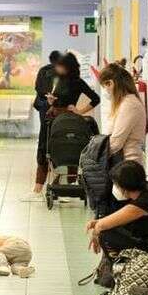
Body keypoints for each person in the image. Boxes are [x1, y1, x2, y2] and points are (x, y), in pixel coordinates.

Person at [22, 52, 100, 201]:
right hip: (52, 120)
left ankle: (68, 187)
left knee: (70, 150)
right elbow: (42, 98)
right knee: (44, 150)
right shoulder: (55, 78)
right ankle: (38, 189)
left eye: (61, 66)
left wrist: (79, 111)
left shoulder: (77, 82)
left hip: (68, 121)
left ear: (68, 67)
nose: (57, 68)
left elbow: (96, 99)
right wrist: (50, 102)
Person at [87, 160, 148, 261]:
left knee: (105, 234)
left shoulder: (144, 202)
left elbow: (102, 226)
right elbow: (111, 220)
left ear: (125, 185)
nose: (115, 187)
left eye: (116, 184)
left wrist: (96, 232)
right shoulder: (147, 191)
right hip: (145, 240)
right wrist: (97, 223)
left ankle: (116, 269)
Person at [99, 63, 146, 165]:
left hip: (127, 166)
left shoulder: (129, 105)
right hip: (122, 164)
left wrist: (94, 154)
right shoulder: (124, 103)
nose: (105, 91)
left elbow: (116, 142)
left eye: (104, 87)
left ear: (110, 83)